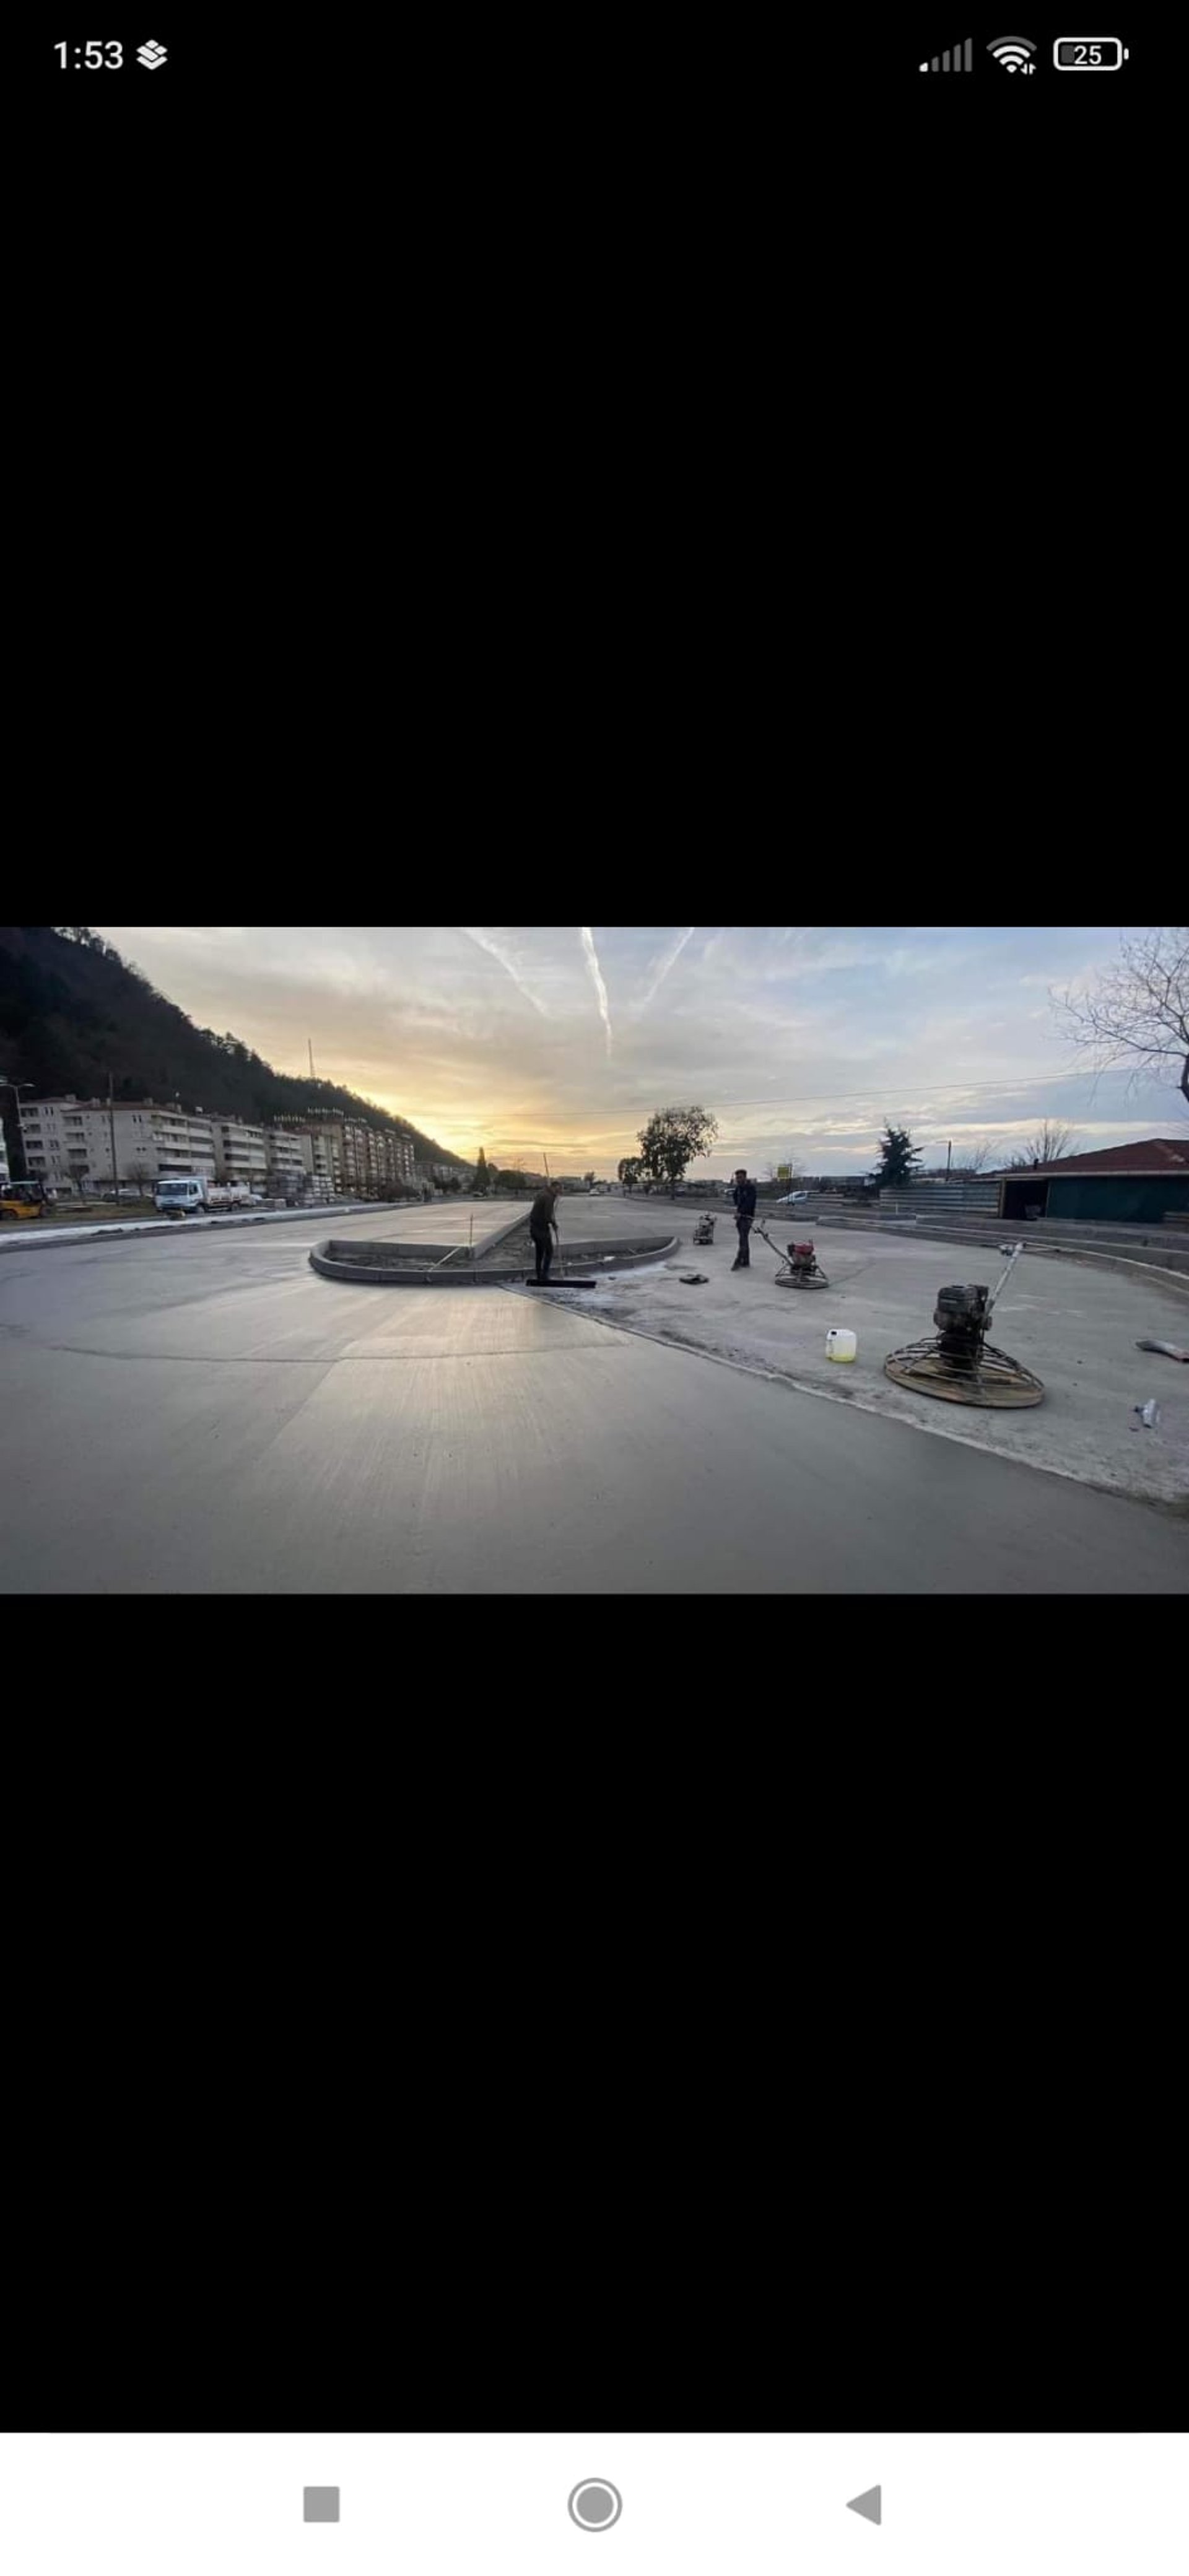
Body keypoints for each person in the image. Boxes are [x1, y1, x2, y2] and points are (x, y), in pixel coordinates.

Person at [528, 1182, 560, 1283]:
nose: (558, 1192)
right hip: (541, 1229)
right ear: (553, 1188)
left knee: (540, 1252)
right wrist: (554, 1224)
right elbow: (547, 1216)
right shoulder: (549, 1198)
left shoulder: (542, 1194)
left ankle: (539, 1276)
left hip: (534, 1228)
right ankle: (545, 1275)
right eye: (558, 1190)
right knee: (549, 1251)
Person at [731, 1167, 757, 1268]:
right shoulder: (739, 1188)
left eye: (740, 1177)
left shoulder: (751, 1188)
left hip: (748, 1217)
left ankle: (739, 1260)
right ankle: (745, 1261)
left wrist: (741, 1212)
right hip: (740, 1217)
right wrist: (738, 1209)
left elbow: (750, 1203)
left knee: (743, 1239)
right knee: (744, 1239)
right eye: (737, 1178)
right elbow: (735, 1197)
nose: (738, 1179)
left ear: (745, 1177)